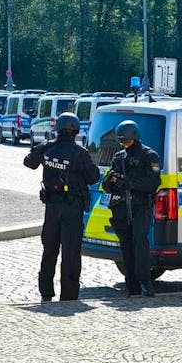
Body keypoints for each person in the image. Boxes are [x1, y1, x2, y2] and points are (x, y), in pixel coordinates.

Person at [23, 112, 100, 301]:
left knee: (49, 250)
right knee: (71, 252)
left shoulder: (47, 148)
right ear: (75, 132)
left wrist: (43, 152)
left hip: (52, 207)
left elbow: (29, 162)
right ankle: (69, 294)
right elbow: (93, 177)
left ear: (57, 129)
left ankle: (46, 291)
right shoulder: (80, 153)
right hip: (72, 208)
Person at [101, 119, 162, 297]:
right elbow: (108, 185)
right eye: (122, 142)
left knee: (140, 240)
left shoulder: (149, 156)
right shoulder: (119, 157)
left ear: (135, 138)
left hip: (141, 206)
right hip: (121, 207)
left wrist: (128, 183)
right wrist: (111, 180)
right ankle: (131, 284)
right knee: (126, 245)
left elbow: (153, 183)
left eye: (127, 141)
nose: (125, 145)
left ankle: (145, 282)